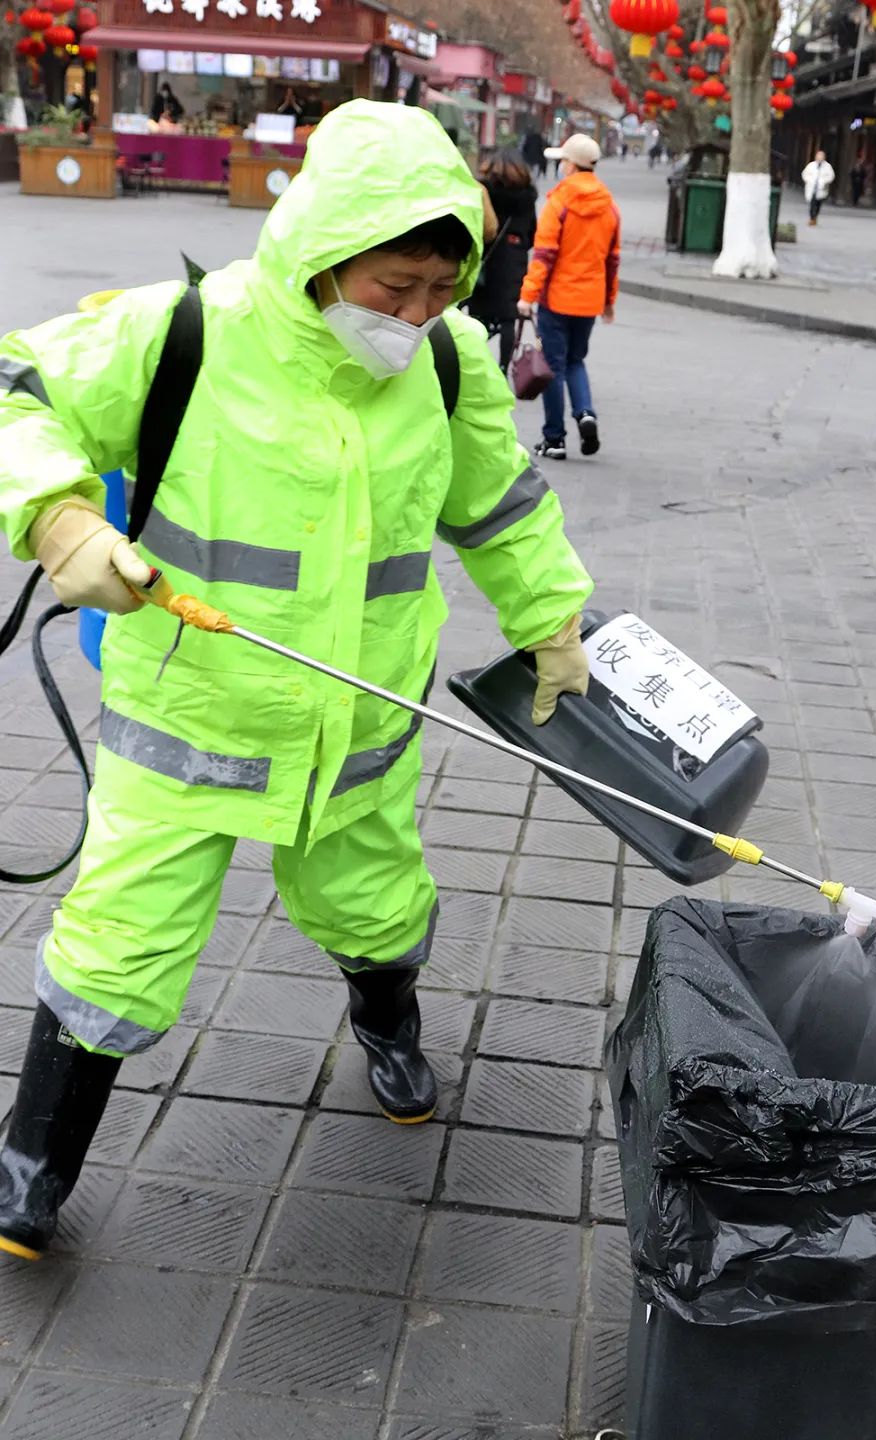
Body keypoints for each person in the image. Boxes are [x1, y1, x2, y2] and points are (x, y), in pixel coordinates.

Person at [0, 100, 593, 1262]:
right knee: (120, 937)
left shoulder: (449, 363)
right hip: (187, 717)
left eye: (441, 287)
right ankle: (33, 1159)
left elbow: (501, 509)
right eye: (395, 286)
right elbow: (20, 389)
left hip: (361, 722)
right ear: (324, 248)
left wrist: (552, 621)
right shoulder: (186, 332)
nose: (419, 313)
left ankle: (387, 1019)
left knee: (374, 904)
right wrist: (58, 517)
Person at [518, 132, 619, 461]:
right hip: (589, 301)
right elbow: (611, 260)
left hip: (557, 299)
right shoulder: (609, 207)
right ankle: (586, 413)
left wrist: (527, 296)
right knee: (575, 361)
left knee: (553, 367)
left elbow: (544, 255)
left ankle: (554, 439)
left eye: (562, 160)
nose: (560, 166)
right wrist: (608, 302)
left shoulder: (559, 203)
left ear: (572, 165)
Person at [467, 148, 538, 372]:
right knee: (508, 318)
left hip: (487, 258)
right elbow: (532, 231)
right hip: (514, 260)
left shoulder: (484, 191)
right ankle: (503, 367)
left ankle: (474, 360)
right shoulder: (526, 197)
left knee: (478, 315)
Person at [802, 149, 835, 225]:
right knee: (812, 204)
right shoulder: (811, 165)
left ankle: (815, 216)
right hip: (812, 188)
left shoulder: (827, 166)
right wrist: (809, 180)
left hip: (821, 189)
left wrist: (824, 181)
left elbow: (831, 176)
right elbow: (804, 174)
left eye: (821, 156)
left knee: (818, 205)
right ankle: (812, 218)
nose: (820, 158)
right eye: (818, 156)